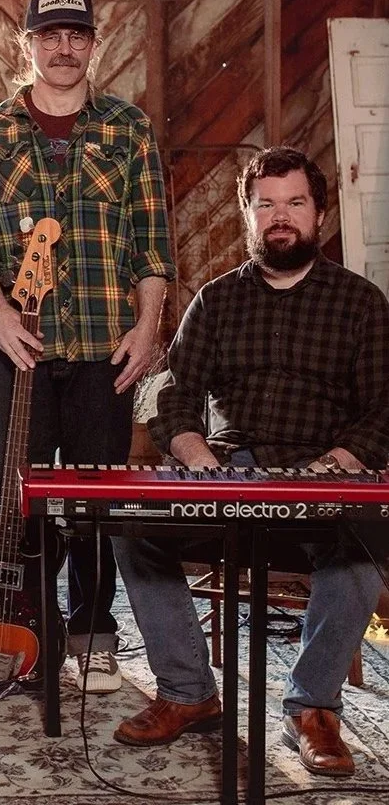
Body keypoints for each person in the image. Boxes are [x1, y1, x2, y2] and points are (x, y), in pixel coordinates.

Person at [113, 147, 389, 777]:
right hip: (232, 469)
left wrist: (339, 461)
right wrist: (192, 450)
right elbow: (176, 390)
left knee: (369, 544)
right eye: (266, 205)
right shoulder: (216, 300)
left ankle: (313, 707)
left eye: (295, 203)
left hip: (324, 474)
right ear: (248, 214)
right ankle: (188, 691)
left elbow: (385, 408)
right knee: (131, 525)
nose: (280, 216)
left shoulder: (361, 303)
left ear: (319, 214)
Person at [0, 0, 175, 692]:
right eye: (49, 36)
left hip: (102, 351)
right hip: (15, 352)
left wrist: (147, 327)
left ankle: (93, 632)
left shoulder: (128, 129)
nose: (63, 48)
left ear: (93, 45)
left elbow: (151, 243)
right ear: (27, 45)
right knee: (19, 500)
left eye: (76, 36)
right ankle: (28, 627)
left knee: (94, 505)